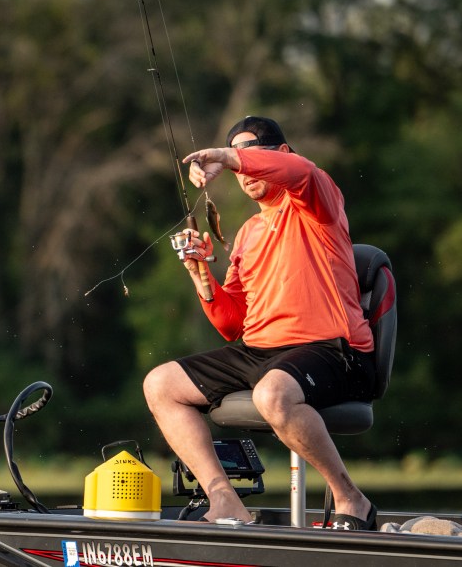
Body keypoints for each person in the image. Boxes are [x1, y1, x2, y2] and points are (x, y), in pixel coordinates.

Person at [142, 116, 378, 529]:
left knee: (271, 393)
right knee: (160, 385)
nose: (243, 168)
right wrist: (201, 275)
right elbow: (233, 324)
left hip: (333, 351)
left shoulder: (315, 199)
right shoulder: (248, 233)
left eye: (250, 152)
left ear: (281, 153)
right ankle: (224, 500)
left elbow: (302, 171)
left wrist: (226, 156)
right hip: (261, 353)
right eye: (238, 158)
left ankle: (351, 499)